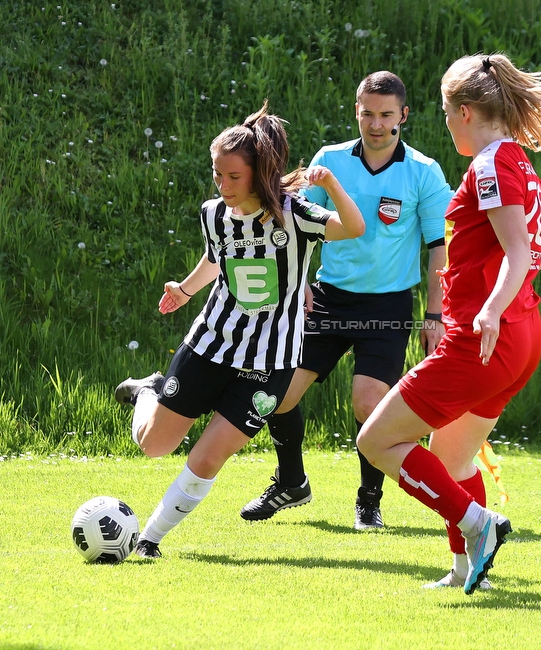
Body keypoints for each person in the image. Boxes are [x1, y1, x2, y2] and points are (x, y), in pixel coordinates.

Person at [357, 53, 541, 593]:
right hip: (522, 336)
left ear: (465, 111)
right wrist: (498, 290)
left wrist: (488, 305)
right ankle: (469, 569)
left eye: (444, 112)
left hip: (484, 337)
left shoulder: (488, 165)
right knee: (454, 456)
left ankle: (480, 525)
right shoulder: (520, 163)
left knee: (375, 441)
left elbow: (518, 251)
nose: (444, 123)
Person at [114, 102, 364, 558]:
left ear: (259, 173)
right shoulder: (213, 213)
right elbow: (217, 258)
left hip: (271, 364)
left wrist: (331, 184)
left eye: (233, 177)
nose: (223, 186)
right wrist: (185, 291)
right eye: (217, 175)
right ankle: (147, 391)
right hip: (211, 343)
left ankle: (148, 540)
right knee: (154, 446)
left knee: (208, 458)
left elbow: (354, 226)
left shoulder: (296, 214)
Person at [239, 71, 453, 530]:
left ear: (403, 116)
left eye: (386, 115)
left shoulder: (424, 172)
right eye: (368, 114)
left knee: (368, 404)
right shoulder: (329, 161)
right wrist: (299, 289)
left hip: (388, 306)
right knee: (277, 395)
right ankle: (291, 483)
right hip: (328, 300)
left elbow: (440, 247)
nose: (376, 124)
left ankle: (369, 501)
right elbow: (293, 225)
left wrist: (436, 314)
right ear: (356, 112)